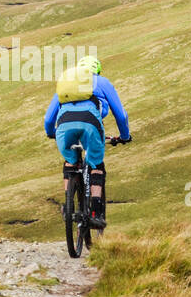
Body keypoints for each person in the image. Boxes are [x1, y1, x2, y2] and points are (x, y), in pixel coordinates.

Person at [43, 55, 131, 229]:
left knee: (70, 162)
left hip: (63, 125)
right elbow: (121, 115)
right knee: (96, 165)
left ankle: (68, 207)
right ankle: (96, 212)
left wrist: (51, 133)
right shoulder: (102, 82)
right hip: (90, 123)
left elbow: (48, 118)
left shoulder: (68, 84)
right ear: (97, 70)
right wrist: (125, 136)